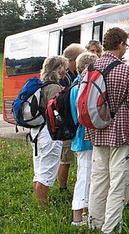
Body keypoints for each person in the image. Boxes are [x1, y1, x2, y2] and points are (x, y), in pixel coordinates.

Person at [86, 27, 129, 233]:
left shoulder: (90, 67)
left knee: (98, 179)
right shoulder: (125, 70)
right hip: (120, 131)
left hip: (96, 130)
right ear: (120, 45)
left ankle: (94, 223)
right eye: (126, 44)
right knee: (118, 181)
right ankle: (110, 227)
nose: (126, 48)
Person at [32, 55, 69, 206]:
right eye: (64, 68)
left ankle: (39, 203)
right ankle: (42, 208)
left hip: (37, 132)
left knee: (39, 171)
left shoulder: (41, 85)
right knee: (46, 173)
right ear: (58, 70)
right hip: (49, 133)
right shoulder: (54, 88)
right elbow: (57, 113)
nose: (66, 72)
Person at [70, 52, 98, 226]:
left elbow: (74, 118)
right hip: (86, 137)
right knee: (85, 177)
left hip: (79, 137)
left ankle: (86, 214)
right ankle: (78, 217)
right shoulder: (85, 87)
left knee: (87, 176)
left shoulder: (74, 87)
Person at [58, 43, 86, 194]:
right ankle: (62, 188)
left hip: (71, 122)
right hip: (67, 123)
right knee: (66, 158)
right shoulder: (64, 77)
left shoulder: (72, 75)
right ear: (73, 60)